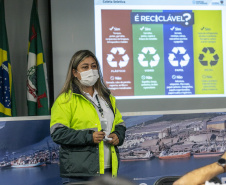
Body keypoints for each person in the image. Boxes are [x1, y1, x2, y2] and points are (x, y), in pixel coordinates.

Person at [50, 50, 126, 184]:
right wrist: (89, 137)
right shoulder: (65, 100)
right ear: (75, 73)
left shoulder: (108, 98)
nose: (91, 70)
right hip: (79, 173)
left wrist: (118, 135)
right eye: (85, 67)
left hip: (108, 170)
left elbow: (120, 124)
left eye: (94, 66)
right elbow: (58, 133)